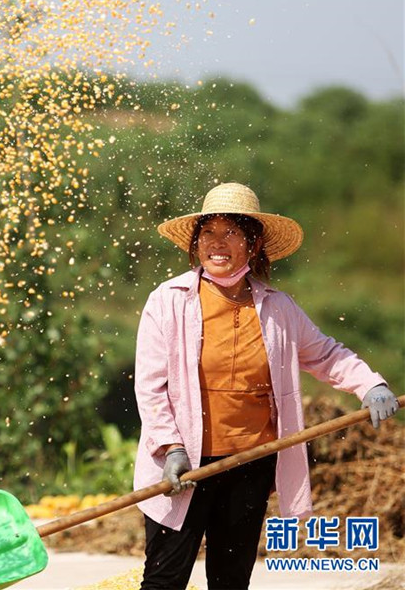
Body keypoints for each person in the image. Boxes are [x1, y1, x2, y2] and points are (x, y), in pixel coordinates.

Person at [132, 182, 399, 590]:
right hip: (183, 465)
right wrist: (171, 447)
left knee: (231, 580)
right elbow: (150, 387)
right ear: (196, 243)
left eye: (231, 233)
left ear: (253, 244)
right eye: (208, 232)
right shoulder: (168, 301)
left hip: (251, 462)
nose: (217, 244)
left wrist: (370, 384)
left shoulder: (278, 309)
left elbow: (326, 355)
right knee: (163, 580)